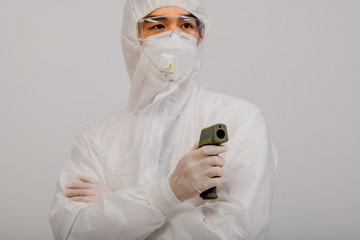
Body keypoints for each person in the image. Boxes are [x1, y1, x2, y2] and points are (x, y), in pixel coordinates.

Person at [49, 0, 278, 239]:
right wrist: (168, 192)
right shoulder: (96, 137)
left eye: (187, 25)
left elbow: (236, 233)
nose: (174, 37)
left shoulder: (240, 120)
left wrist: (115, 203)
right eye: (158, 26)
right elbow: (71, 231)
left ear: (200, 37)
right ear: (132, 36)